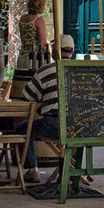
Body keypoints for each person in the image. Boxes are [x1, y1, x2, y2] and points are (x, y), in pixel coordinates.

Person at [16, 34, 75, 183]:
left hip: (54, 125)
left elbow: (28, 95)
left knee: (22, 129)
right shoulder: (81, 71)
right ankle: (70, 169)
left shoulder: (46, 70)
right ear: (72, 52)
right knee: (71, 136)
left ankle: (32, 170)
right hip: (81, 126)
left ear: (55, 52)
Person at [16, 0, 49, 69]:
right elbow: (42, 43)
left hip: (21, 57)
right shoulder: (39, 20)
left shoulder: (22, 18)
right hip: (34, 58)